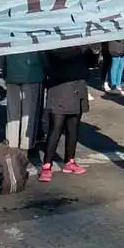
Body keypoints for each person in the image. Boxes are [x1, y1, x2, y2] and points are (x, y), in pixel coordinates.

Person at [39, 46, 91, 182]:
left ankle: (70, 161)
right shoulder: (54, 45)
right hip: (59, 88)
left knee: (73, 128)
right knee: (55, 128)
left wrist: (93, 49)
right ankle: (47, 165)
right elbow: (60, 55)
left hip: (78, 86)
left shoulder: (82, 45)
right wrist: (83, 47)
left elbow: (91, 62)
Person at [0, 50, 46, 163]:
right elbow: (43, 55)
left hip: (12, 73)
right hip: (33, 73)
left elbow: (2, 56)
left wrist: (5, 72)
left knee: (13, 114)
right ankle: (26, 146)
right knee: (29, 114)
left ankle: (11, 144)